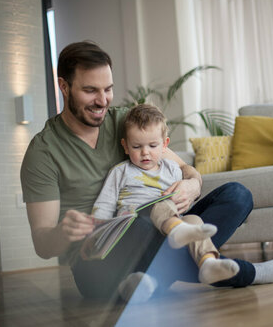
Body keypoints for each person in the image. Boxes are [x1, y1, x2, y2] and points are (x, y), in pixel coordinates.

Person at [20, 41, 273, 301]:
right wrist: (63, 231)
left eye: (108, 89)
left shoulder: (123, 120)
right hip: (98, 263)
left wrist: (192, 185)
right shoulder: (43, 152)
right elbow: (43, 244)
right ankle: (250, 272)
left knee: (237, 194)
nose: (103, 100)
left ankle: (146, 285)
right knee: (144, 223)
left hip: (162, 228)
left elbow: (183, 168)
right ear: (64, 86)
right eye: (90, 90)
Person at [90, 103, 241, 297]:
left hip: (170, 226)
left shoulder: (173, 169)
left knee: (194, 221)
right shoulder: (121, 171)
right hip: (138, 224)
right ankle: (176, 235)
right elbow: (104, 204)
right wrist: (97, 231)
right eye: (137, 146)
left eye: (153, 146)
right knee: (159, 206)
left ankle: (208, 263)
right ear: (125, 146)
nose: (145, 152)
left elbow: (182, 199)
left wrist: (187, 193)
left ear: (165, 144)